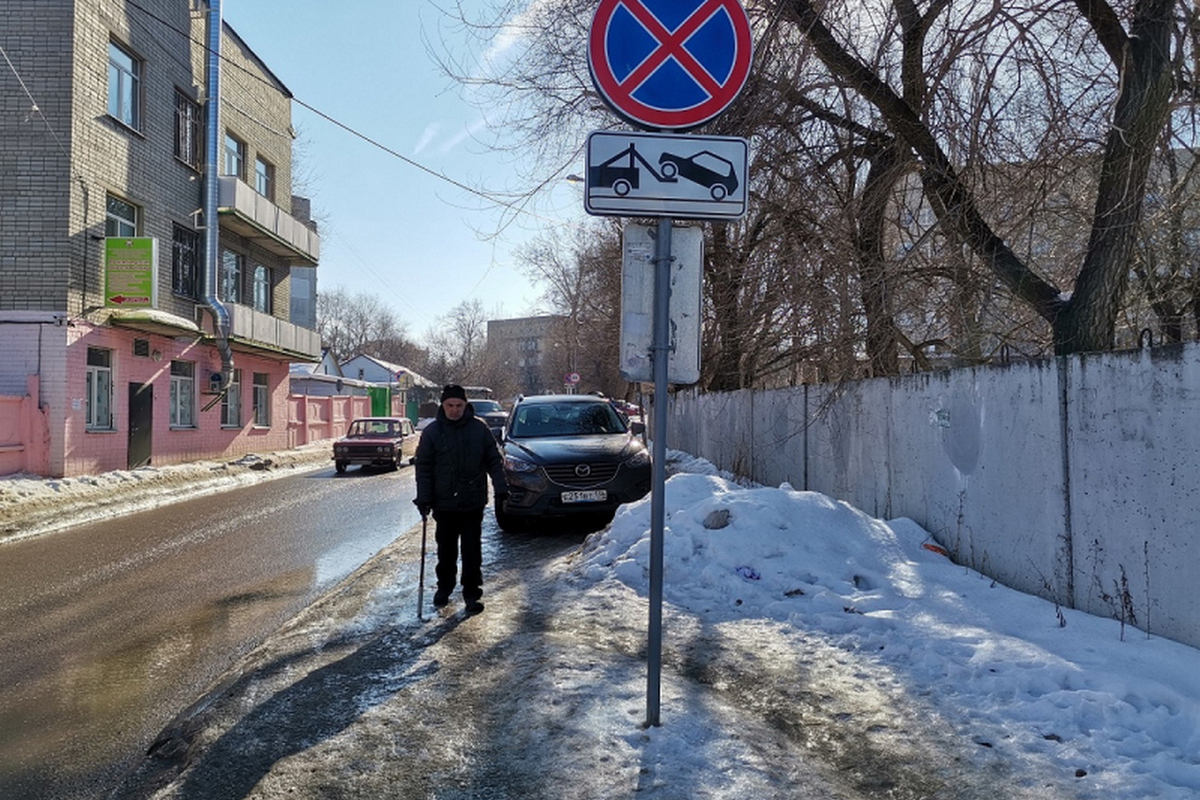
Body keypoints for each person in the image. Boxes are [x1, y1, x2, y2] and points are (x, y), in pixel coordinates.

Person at [413, 384, 508, 614]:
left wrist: (501, 487)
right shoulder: (432, 432)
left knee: (472, 551)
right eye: (450, 405)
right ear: (443, 406)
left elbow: (494, 460)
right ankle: (444, 588)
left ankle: (472, 594)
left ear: (466, 405)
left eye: (458, 405)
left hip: (472, 501)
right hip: (443, 503)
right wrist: (424, 498)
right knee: (446, 551)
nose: (454, 410)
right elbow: (423, 467)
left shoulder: (479, 429)